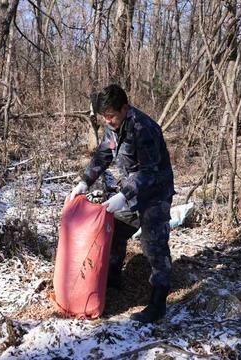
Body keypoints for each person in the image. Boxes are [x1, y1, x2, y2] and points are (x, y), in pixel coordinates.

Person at [69, 84, 175, 323]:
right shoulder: (113, 127)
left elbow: (149, 172)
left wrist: (123, 195)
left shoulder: (143, 129)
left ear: (125, 108)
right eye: (104, 117)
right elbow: (103, 155)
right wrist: (85, 181)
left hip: (155, 193)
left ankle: (158, 303)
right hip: (130, 192)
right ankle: (113, 277)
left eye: (111, 116)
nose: (108, 121)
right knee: (113, 229)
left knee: (153, 245)